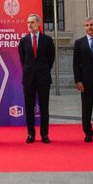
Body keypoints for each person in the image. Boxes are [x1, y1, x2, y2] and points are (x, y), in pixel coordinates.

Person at [18, 13, 55, 144]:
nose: (30, 25)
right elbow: (23, 60)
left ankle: (44, 134)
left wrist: (42, 71)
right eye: (28, 22)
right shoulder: (23, 41)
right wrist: (31, 71)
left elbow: (51, 59)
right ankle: (30, 134)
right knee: (29, 107)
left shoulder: (47, 40)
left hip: (43, 79)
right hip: (29, 79)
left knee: (44, 107)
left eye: (32, 22)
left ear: (39, 24)